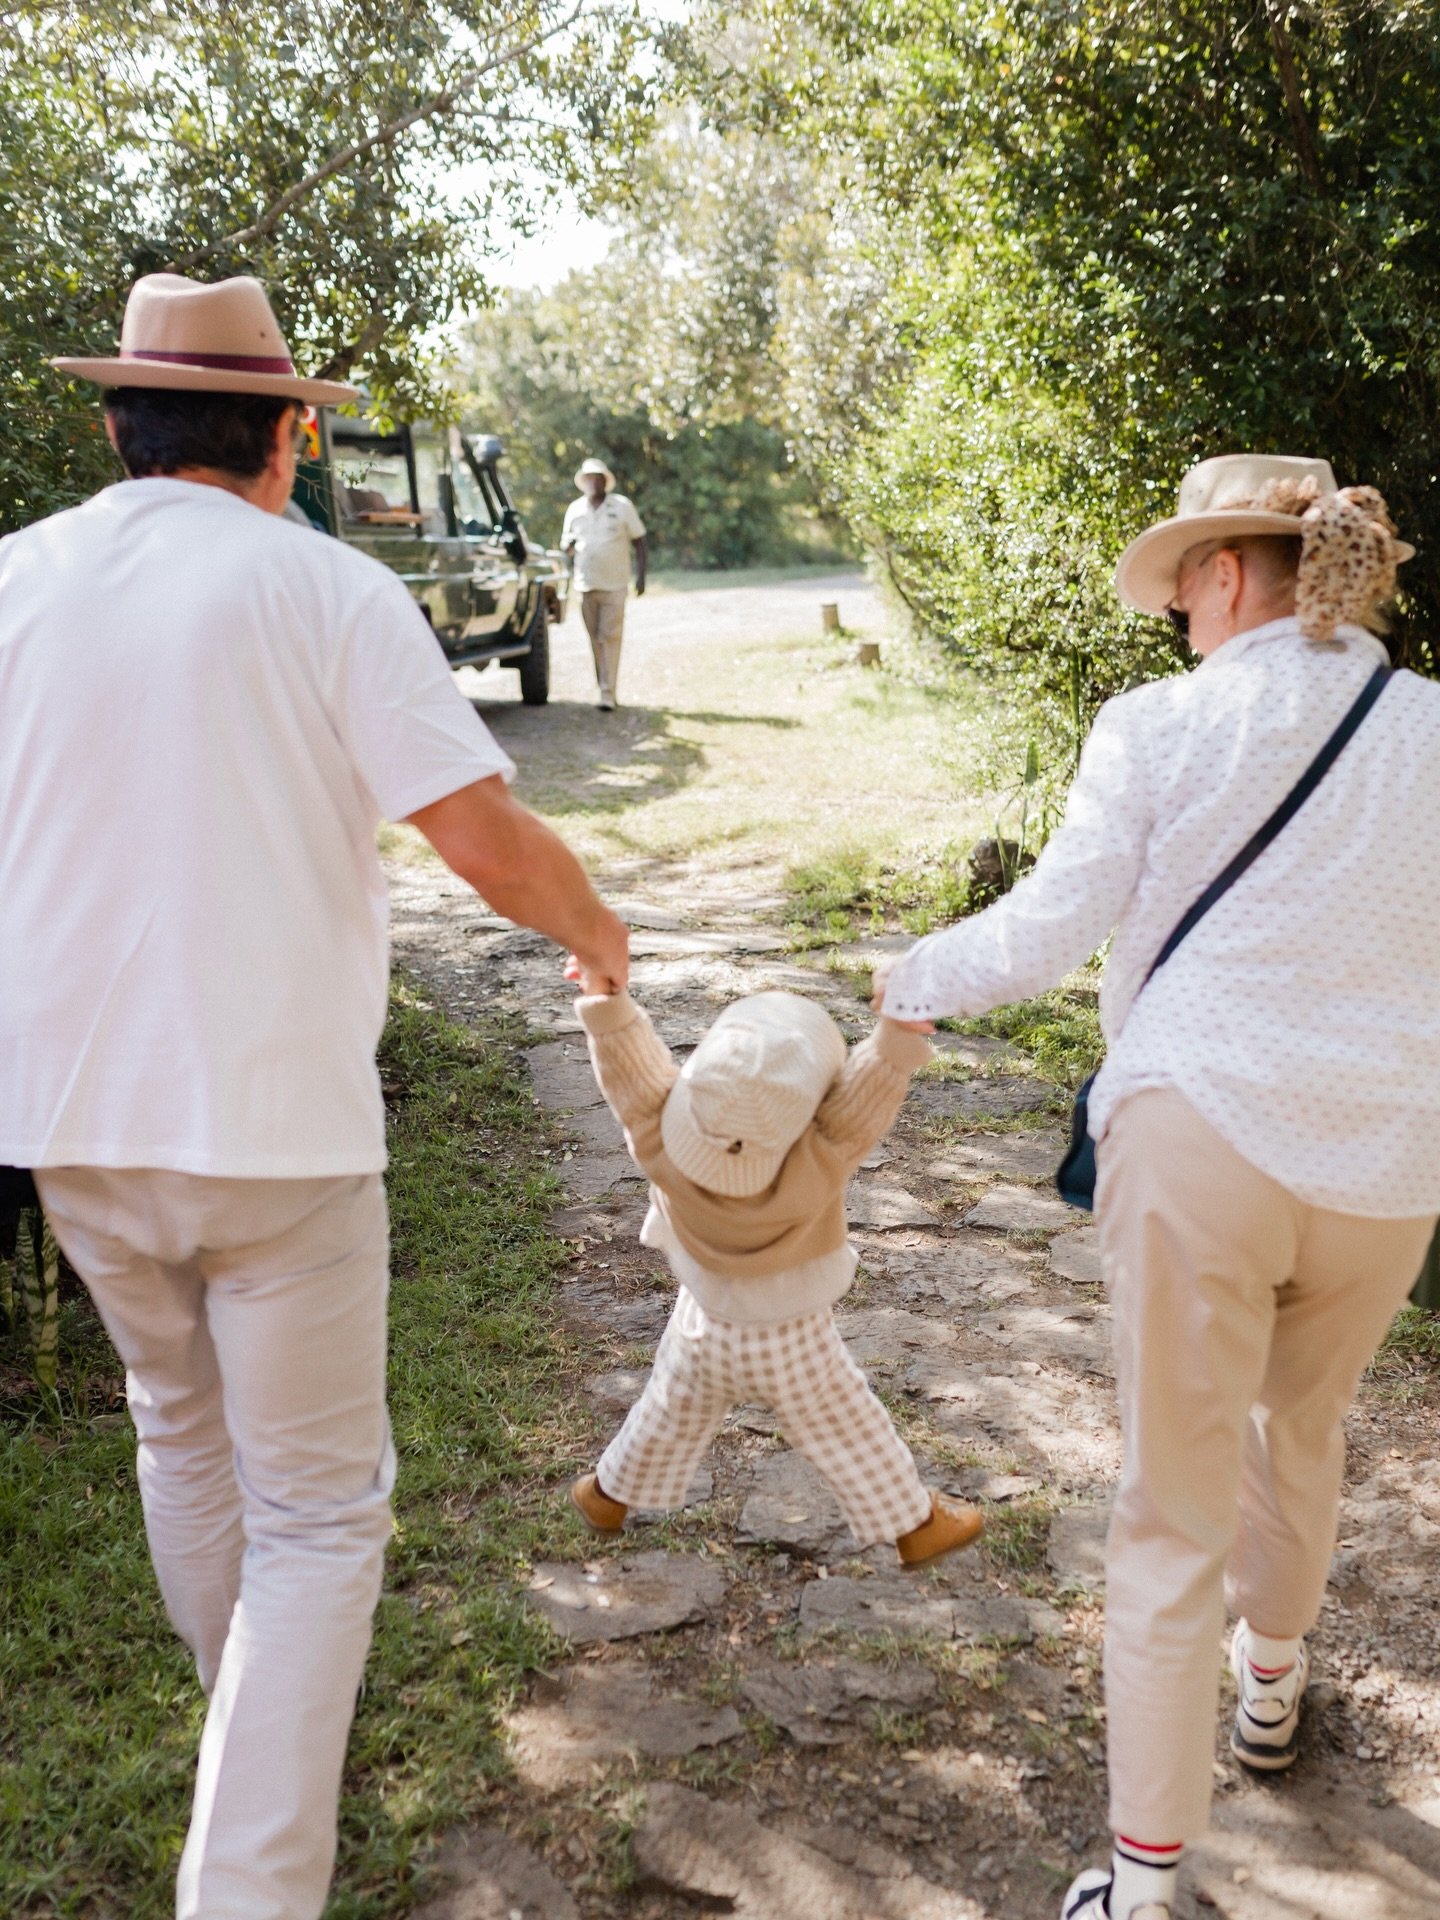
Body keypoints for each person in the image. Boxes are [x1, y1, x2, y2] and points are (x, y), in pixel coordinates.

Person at [1, 271, 628, 1920]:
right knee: (320, 1516)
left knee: (178, 1430)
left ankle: (250, 1748)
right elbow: (480, 837)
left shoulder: (14, 579)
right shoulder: (324, 588)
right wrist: (600, 934)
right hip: (275, 1124)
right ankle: (250, 1872)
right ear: (286, 433)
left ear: (116, 424)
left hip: (69, 1118)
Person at [874, 454, 1440, 1920]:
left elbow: (1048, 926)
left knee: (1172, 1508)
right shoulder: (1432, 729)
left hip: (1203, 1135)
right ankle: (1274, 1682)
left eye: (1183, 592)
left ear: (1228, 574)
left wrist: (909, 979)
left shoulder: (1162, 723)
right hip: (1391, 1165)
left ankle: (1143, 1889)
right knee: (1302, 1426)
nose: (1177, 621)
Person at [564, 979, 984, 1564]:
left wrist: (606, 998)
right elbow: (863, 1101)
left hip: (701, 1324)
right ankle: (918, 1525)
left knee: (668, 1409)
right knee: (848, 1426)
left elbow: (629, 1071)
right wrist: (896, 1035)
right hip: (791, 1339)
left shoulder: (657, 1132)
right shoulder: (821, 1152)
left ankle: (606, 1495)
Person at [560, 456, 646, 710]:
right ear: (583, 482)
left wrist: (641, 576)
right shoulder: (575, 509)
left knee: (610, 636)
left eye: (598, 478)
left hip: (614, 584)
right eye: (589, 478)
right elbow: (566, 545)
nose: (594, 483)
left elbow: (640, 541)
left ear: (605, 481)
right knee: (595, 638)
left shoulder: (622, 506)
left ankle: (608, 692)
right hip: (586, 584)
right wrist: (568, 547)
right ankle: (604, 685)